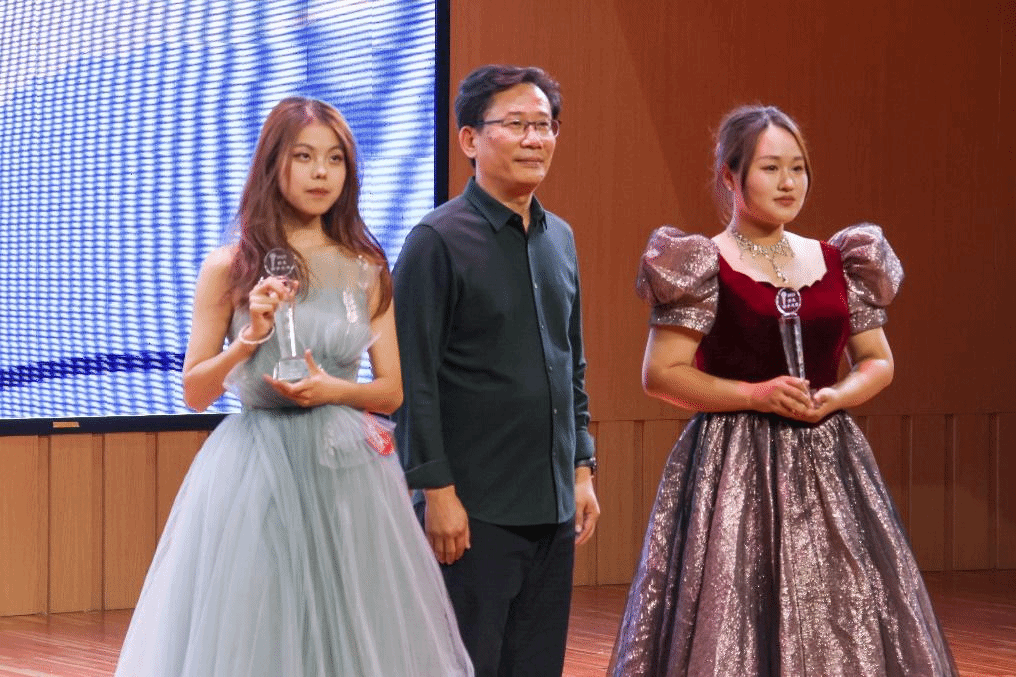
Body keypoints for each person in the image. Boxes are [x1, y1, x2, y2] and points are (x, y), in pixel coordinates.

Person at [114, 97, 473, 677]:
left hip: (348, 470)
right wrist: (248, 339)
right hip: (254, 467)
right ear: (272, 165)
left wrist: (333, 391)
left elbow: (390, 392)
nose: (320, 173)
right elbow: (196, 392)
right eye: (304, 157)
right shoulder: (230, 266)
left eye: (335, 159)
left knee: (354, 625)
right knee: (260, 627)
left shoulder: (366, 266)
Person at [608, 105, 957, 676]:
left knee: (845, 610)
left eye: (798, 168)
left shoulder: (839, 260)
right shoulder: (700, 262)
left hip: (830, 460)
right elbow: (663, 373)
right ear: (730, 176)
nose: (789, 182)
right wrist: (756, 395)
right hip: (732, 463)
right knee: (734, 612)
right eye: (771, 168)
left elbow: (877, 361)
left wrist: (836, 396)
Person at [392, 64, 601, 677]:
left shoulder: (560, 238)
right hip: (472, 507)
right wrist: (436, 493)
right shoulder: (436, 240)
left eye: (545, 125)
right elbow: (414, 381)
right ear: (469, 139)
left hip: (553, 505)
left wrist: (581, 468)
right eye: (516, 124)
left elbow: (571, 364)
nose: (535, 139)